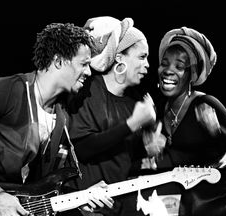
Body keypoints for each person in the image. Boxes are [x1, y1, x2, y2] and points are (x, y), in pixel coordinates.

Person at [0, 22, 114, 216]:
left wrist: (80, 198)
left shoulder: (61, 118)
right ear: (58, 61)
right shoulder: (6, 91)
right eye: (83, 64)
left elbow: (40, 189)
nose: (89, 72)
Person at [142, 26, 226, 215]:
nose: (168, 71)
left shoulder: (207, 103)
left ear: (192, 74)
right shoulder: (158, 108)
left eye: (179, 66)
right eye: (164, 63)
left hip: (222, 201)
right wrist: (153, 153)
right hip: (183, 199)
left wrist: (218, 133)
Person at [68, 16, 157, 216]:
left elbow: (123, 163)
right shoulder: (89, 89)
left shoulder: (135, 105)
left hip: (117, 209)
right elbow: (81, 149)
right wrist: (132, 124)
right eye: (142, 57)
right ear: (119, 57)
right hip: (83, 208)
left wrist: (148, 149)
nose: (148, 65)